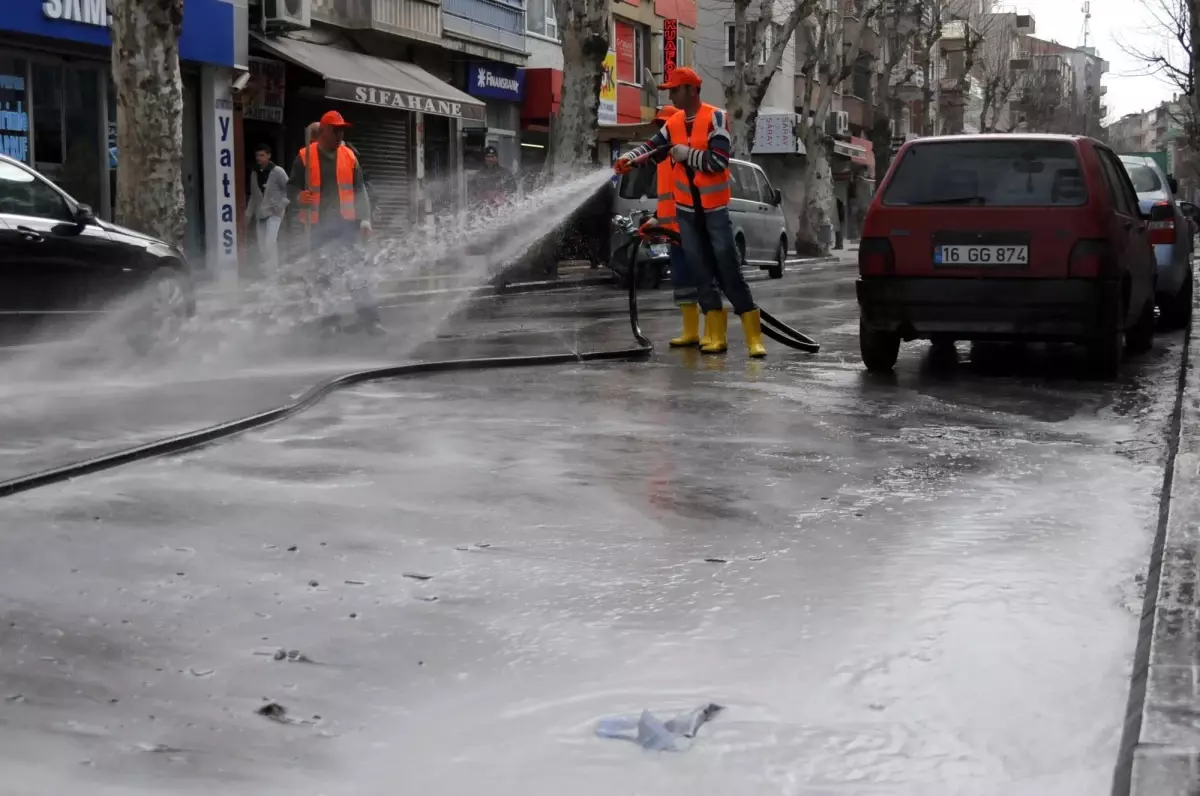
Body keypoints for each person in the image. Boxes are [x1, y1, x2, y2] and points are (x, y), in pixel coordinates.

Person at [614, 67, 766, 357]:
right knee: (700, 273)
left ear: (691, 90)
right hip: (686, 213)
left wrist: (688, 155)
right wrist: (629, 159)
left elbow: (719, 162)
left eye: (675, 89)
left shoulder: (715, 117)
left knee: (728, 270)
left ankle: (754, 340)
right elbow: (651, 148)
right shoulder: (672, 123)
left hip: (714, 211)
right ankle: (715, 336)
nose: (671, 95)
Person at [288, 110, 383, 336]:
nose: (340, 134)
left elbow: (360, 190)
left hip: (346, 226)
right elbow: (291, 187)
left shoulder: (349, 156)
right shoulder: (305, 156)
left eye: (342, 130)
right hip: (319, 227)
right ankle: (329, 323)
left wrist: (365, 220)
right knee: (323, 276)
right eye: (336, 130)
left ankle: (371, 320)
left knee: (356, 273)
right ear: (323, 131)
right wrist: (299, 197)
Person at [642, 105, 703, 348]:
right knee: (683, 281)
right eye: (660, 128)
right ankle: (691, 332)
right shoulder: (663, 159)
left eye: (664, 127)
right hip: (676, 232)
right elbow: (671, 196)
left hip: (695, 229)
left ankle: (712, 332)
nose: (661, 132)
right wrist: (657, 220)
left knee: (705, 282)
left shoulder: (687, 155)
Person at [245, 143, 289, 274]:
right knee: (262, 245)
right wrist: (248, 214)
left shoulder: (278, 171)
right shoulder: (254, 173)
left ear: (269, 156)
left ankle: (273, 270)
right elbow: (254, 195)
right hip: (261, 212)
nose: (259, 158)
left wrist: (281, 205)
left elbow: (290, 189)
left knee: (270, 241)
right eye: (257, 155)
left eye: (262, 155)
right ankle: (267, 270)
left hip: (274, 212)